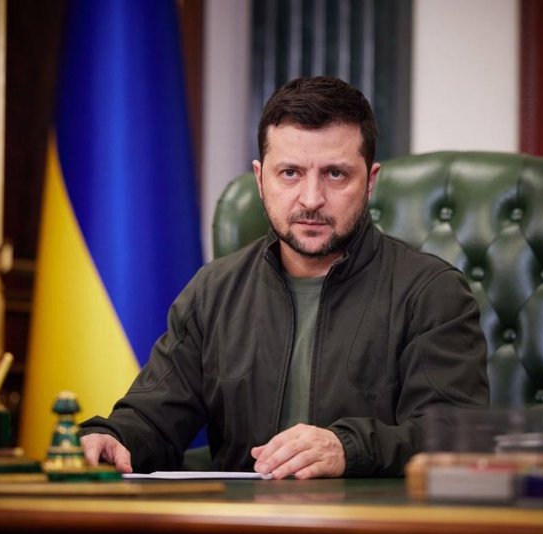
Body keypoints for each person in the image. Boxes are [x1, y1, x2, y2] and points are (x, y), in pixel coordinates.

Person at [79, 76, 488, 478]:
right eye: (290, 173)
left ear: (370, 182)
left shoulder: (432, 293)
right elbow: (152, 418)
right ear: (260, 179)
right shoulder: (214, 291)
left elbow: (456, 436)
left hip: (368, 516)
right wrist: (115, 437)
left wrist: (349, 449)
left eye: (335, 174)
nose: (311, 199)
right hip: (243, 517)